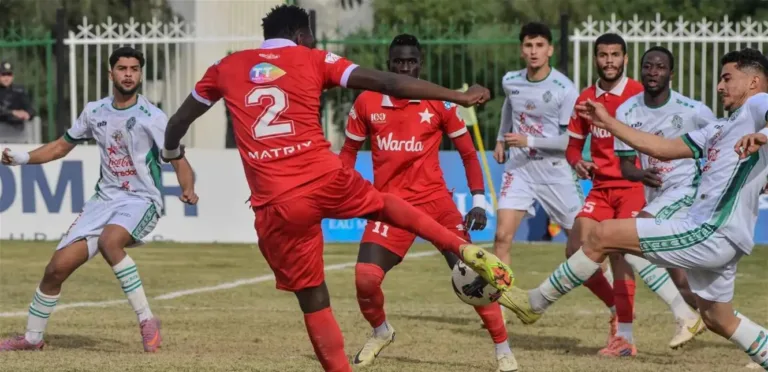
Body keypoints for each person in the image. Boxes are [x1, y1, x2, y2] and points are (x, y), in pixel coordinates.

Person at [159, 5, 514, 372]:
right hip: (325, 178)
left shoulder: (226, 66)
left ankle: (492, 336)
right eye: (311, 37)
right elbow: (388, 84)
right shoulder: (314, 59)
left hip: (277, 201)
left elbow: (178, 121)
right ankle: (453, 255)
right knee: (383, 208)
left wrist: (172, 152)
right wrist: (458, 95)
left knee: (313, 297)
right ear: (300, 35)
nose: (313, 42)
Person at [501, 47, 768, 370]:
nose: (719, 86)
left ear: (753, 82)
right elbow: (662, 148)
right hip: (718, 232)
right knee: (717, 319)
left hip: (711, 231)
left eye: (727, 78)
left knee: (603, 235)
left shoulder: (757, 105)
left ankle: (534, 303)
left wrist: (763, 135)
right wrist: (608, 122)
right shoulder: (719, 128)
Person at [0, 47, 197, 353]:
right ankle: (32, 338)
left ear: (140, 74)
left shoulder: (154, 117)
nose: (128, 74)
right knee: (55, 269)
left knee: (110, 241)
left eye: (134, 69)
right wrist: (23, 158)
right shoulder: (95, 111)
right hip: (103, 202)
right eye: (122, 68)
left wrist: (188, 187)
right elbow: (60, 147)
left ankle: (147, 320)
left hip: (140, 199)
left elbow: (178, 158)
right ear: (111, 73)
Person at [339, 34, 517, 371]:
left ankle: (503, 350)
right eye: (398, 62)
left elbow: (468, 154)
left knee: (471, 273)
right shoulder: (366, 101)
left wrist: (479, 200)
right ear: (389, 64)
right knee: (365, 278)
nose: (404, 68)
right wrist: (337, 190)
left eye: (411, 62)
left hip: (435, 205)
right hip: (389, 207)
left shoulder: (439, 102)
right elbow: (348, 153)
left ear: (420, 64)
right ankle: (381, 332)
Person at [613, 46, 717, 348]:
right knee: (682, 281)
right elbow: (626, 166)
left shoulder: (693, 110)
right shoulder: (627, 111)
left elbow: (721, 143)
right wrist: (639, 175)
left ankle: (685, 316)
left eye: (660, 67)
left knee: (633, 236)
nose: (653, 72)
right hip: (658, 198)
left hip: (686, 192)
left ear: (671, 73)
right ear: (640, 70)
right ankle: (732, 328)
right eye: (648, 66)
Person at [564, 33, 656, 356]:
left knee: (619, 253)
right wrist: (578, 162)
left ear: (625, 59)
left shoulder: (639, 95)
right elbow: (573, 147)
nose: (609, 61)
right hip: (601, 187)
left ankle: (625, 338)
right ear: (596, 59)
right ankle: (616, 308)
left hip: (632, 186)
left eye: (615, 55)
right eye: (603, 55)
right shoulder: (586, 99)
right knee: (574, 251)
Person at [492, 21, 581, 283]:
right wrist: (500, 138)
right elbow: (510, 105)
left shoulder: (564, 89)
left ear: (550, 50)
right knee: (501, 237)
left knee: (582, 246)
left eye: (539, 45)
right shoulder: (511, 81)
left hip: (555, 171)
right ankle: (501, 303)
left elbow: (568, 141)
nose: (534, 51)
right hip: (520, 169)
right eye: (528, 45)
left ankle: (614, 300)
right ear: (522, 50)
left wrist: (527, 140)